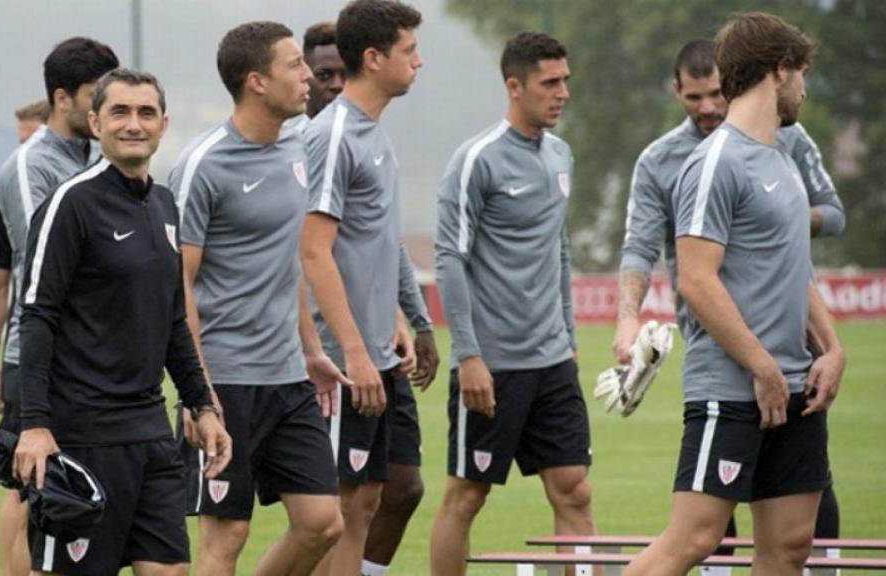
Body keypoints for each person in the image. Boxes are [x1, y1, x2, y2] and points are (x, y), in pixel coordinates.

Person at [624, 13, 845, 575]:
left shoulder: (782, 157)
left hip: (796, 386)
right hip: (733, 387)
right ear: (778, 69)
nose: (804, 87)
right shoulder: (715, 160)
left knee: (791, 547)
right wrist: (761, 366)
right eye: (802, 73)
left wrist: (832, 347)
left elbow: (795, 268)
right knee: (694, 541)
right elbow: (696, 280)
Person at [13, 68, 231, 576]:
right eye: (120, 112)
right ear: (95, 122)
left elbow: (173, 318)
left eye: (146, 112)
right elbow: (37, 317)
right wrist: (35, 426)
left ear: (163, 123)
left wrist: (201, 402)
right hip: (82, 437)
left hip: (151, 433)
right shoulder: (72, 204)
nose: (134, 123)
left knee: (172, 570)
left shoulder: (164, 204)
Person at [168, 21, 345, 576]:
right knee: (226, 539)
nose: (308, 74)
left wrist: (311, 348)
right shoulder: (202, 166)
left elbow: (284, 261)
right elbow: (180, 289)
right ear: (256, 82)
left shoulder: (297, 150)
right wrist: (198, 394)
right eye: (294, 65)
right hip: (225, 382)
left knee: (322, 523)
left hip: (288, 377)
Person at [431, 32, 595, 576]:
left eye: (565, 80)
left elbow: (560, 249)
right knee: (467, 496)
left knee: (574, 493)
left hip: (552, 363)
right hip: (493, 367)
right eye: (550, 82)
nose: (562, 92)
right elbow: (450, 259)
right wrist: (469, 355)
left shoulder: (561, 154)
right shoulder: (476, 159)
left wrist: (568, 339)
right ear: (514, 86)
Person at [301, 20, 440, 576]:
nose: (419, 61)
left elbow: (378, 243)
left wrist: (408, 319)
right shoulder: (333, 136)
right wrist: (354, 353)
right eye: (410, 50)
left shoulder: (373, 133)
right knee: (335, 512)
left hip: (376, 353)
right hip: (342, 359)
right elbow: (313, 252)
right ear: (376, 57)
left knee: (364, 503)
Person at [0, 37, 118, 576]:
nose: (104, 107)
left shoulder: (98, 156)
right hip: (41, 356)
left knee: (63, 493)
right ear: (62, 98)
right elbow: (38, 266)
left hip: (93, 357)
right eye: (95, 96)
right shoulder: (28, 166)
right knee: (35, 491)